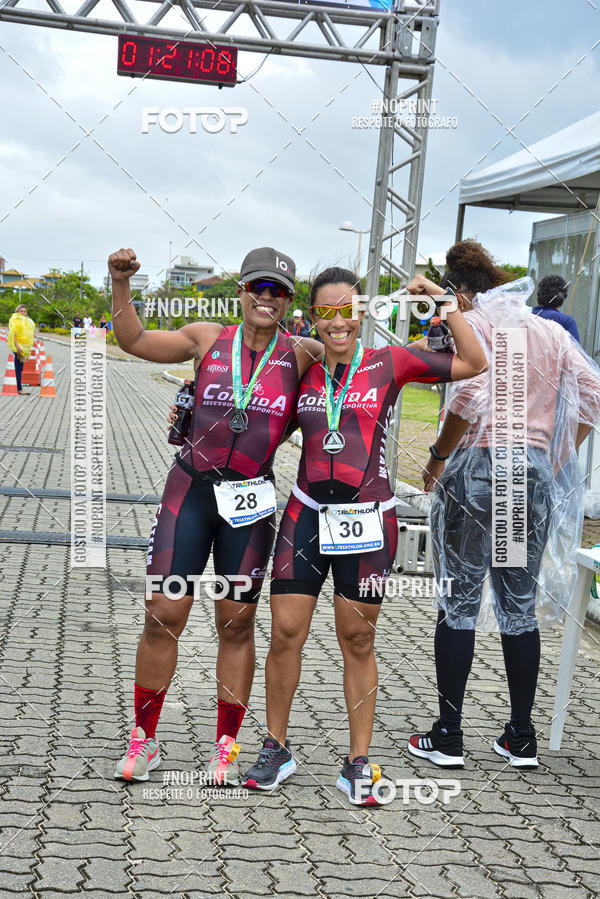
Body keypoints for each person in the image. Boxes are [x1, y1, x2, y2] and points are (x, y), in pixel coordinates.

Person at [240, 266, 488, 804]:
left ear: (363, 312)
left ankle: (358, 762)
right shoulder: (300, 363)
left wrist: (444, 301)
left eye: (348, 309)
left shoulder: (388, 362)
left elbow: (474, 361)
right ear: (312, 317)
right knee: (285, 633)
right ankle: (276, 747)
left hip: (368, 519)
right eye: (326, 312)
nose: (338, 322)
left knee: (358, 639)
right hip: (305, 515)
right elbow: (253, 410)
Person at [108, 246, 323, 785]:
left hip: (249, 504)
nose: (266, 298)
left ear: (290, 301)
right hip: (191, 494)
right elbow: (132, 340)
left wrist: (439, 310)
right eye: (258, 287)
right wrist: (119, 282)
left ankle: (225, 746)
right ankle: (144, 740)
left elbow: (376, 365)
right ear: (242, 292)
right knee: (163, 612)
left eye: (277, 291)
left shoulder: (303, 354)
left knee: (236, 621)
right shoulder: (207, 337)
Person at [408, 240, 600, 770]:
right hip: (529, 479)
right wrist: (552, 455)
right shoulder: (552, 332)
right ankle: (520, 734)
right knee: (518, 606)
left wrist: (436, 459)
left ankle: (448, 733)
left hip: (477, 469)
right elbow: (593, 394)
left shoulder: (479, 326)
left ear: (461, 290)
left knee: (459, 600)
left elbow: (469, 398)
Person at [532, 274, 579, 341]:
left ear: (538, 296)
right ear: (562, 301)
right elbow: (575, 350)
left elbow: (515, 349)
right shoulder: (567, 322)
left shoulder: (523, 317)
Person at [7, 303, 35, 396]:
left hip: (24, 347)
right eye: (21, 311)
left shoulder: (27, 321)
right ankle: (19, 388)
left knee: (20, 367)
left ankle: (17, 386)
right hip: (17, 346)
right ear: (17, 312)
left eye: (24, 311)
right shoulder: (15, 320)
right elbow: (13, 334)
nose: (23, 312)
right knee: (18, 367)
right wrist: (17, 346)